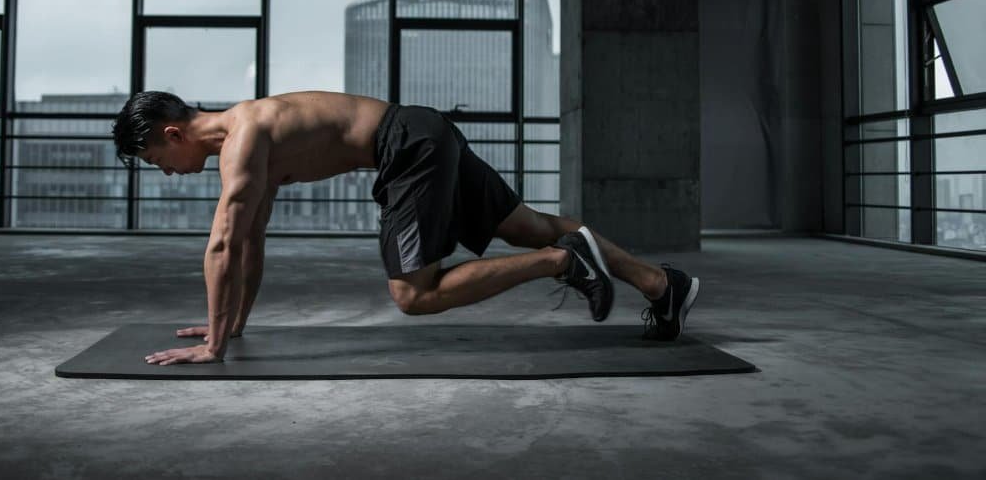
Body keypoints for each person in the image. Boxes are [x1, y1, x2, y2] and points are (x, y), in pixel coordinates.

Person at [111, 90, 700, 365]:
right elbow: (250, 238)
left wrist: (213, 349)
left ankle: (563, 262)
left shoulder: (242, 141)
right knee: (529, 224)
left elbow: (221, 244)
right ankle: (660, 285)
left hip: (406, 146)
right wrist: (232, 326)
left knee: (414, 294)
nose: (166, 174)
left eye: (157, 163)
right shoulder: (249, 133)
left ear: (171, 134)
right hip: (422, 130)